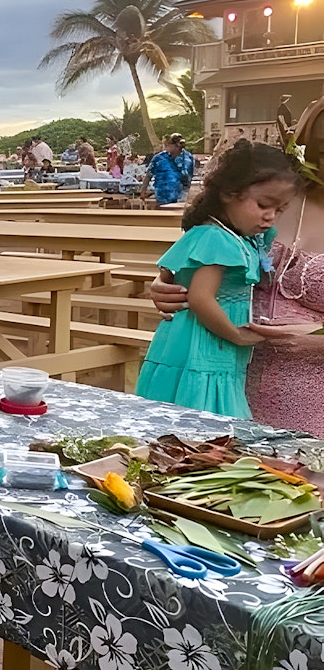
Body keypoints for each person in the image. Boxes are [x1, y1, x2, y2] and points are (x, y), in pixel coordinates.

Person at [150, 98, 324, 436]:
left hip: (310, 397)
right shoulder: (273, 193)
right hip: (217, 374)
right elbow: (201, 254)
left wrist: (319, 342)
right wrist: (164, 285)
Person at [135, 140, 301, 418]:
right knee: (202, 418)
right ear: (229, 194)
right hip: (204, 344)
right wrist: (236, 334)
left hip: (212, 345)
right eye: (263, 205)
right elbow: (200, 297)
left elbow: (170, 274)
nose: (270, 216)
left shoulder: (239, 236)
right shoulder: (216, 238)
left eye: (279, 210)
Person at [139, 133, 193, 206]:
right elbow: (148, 175)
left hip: (181, 198)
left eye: (169, 145)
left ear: (175, 145)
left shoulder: (188, 158)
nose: (167, 147)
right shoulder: (158, 158)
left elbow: (189, 179)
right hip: (162, 198)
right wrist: (143, 193)